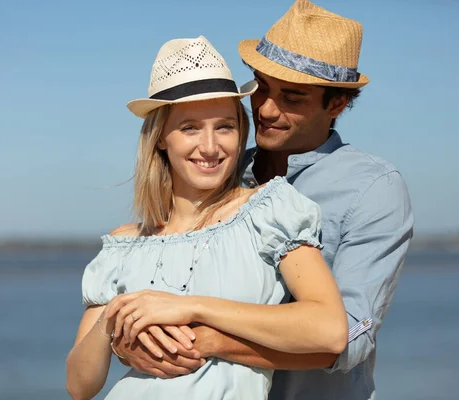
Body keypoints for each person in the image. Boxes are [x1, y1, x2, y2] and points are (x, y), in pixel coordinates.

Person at [112, 1, 415, 399]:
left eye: (292, 97)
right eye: (261, 88)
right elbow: (160, 283)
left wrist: (210, 340)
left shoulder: (374, 189)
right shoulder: (219, 169)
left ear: (337, 103)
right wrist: (123, 341)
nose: (267, 110)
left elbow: (349, 338)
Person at [65, 35, 349, 400]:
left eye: (225, 126)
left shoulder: (269, 212)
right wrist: (113, 320)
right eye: (190, 128)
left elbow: (330, 330)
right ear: (161, 138)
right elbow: (79, 386)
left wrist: (191, 306)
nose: (211, 146)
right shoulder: (124, 245)